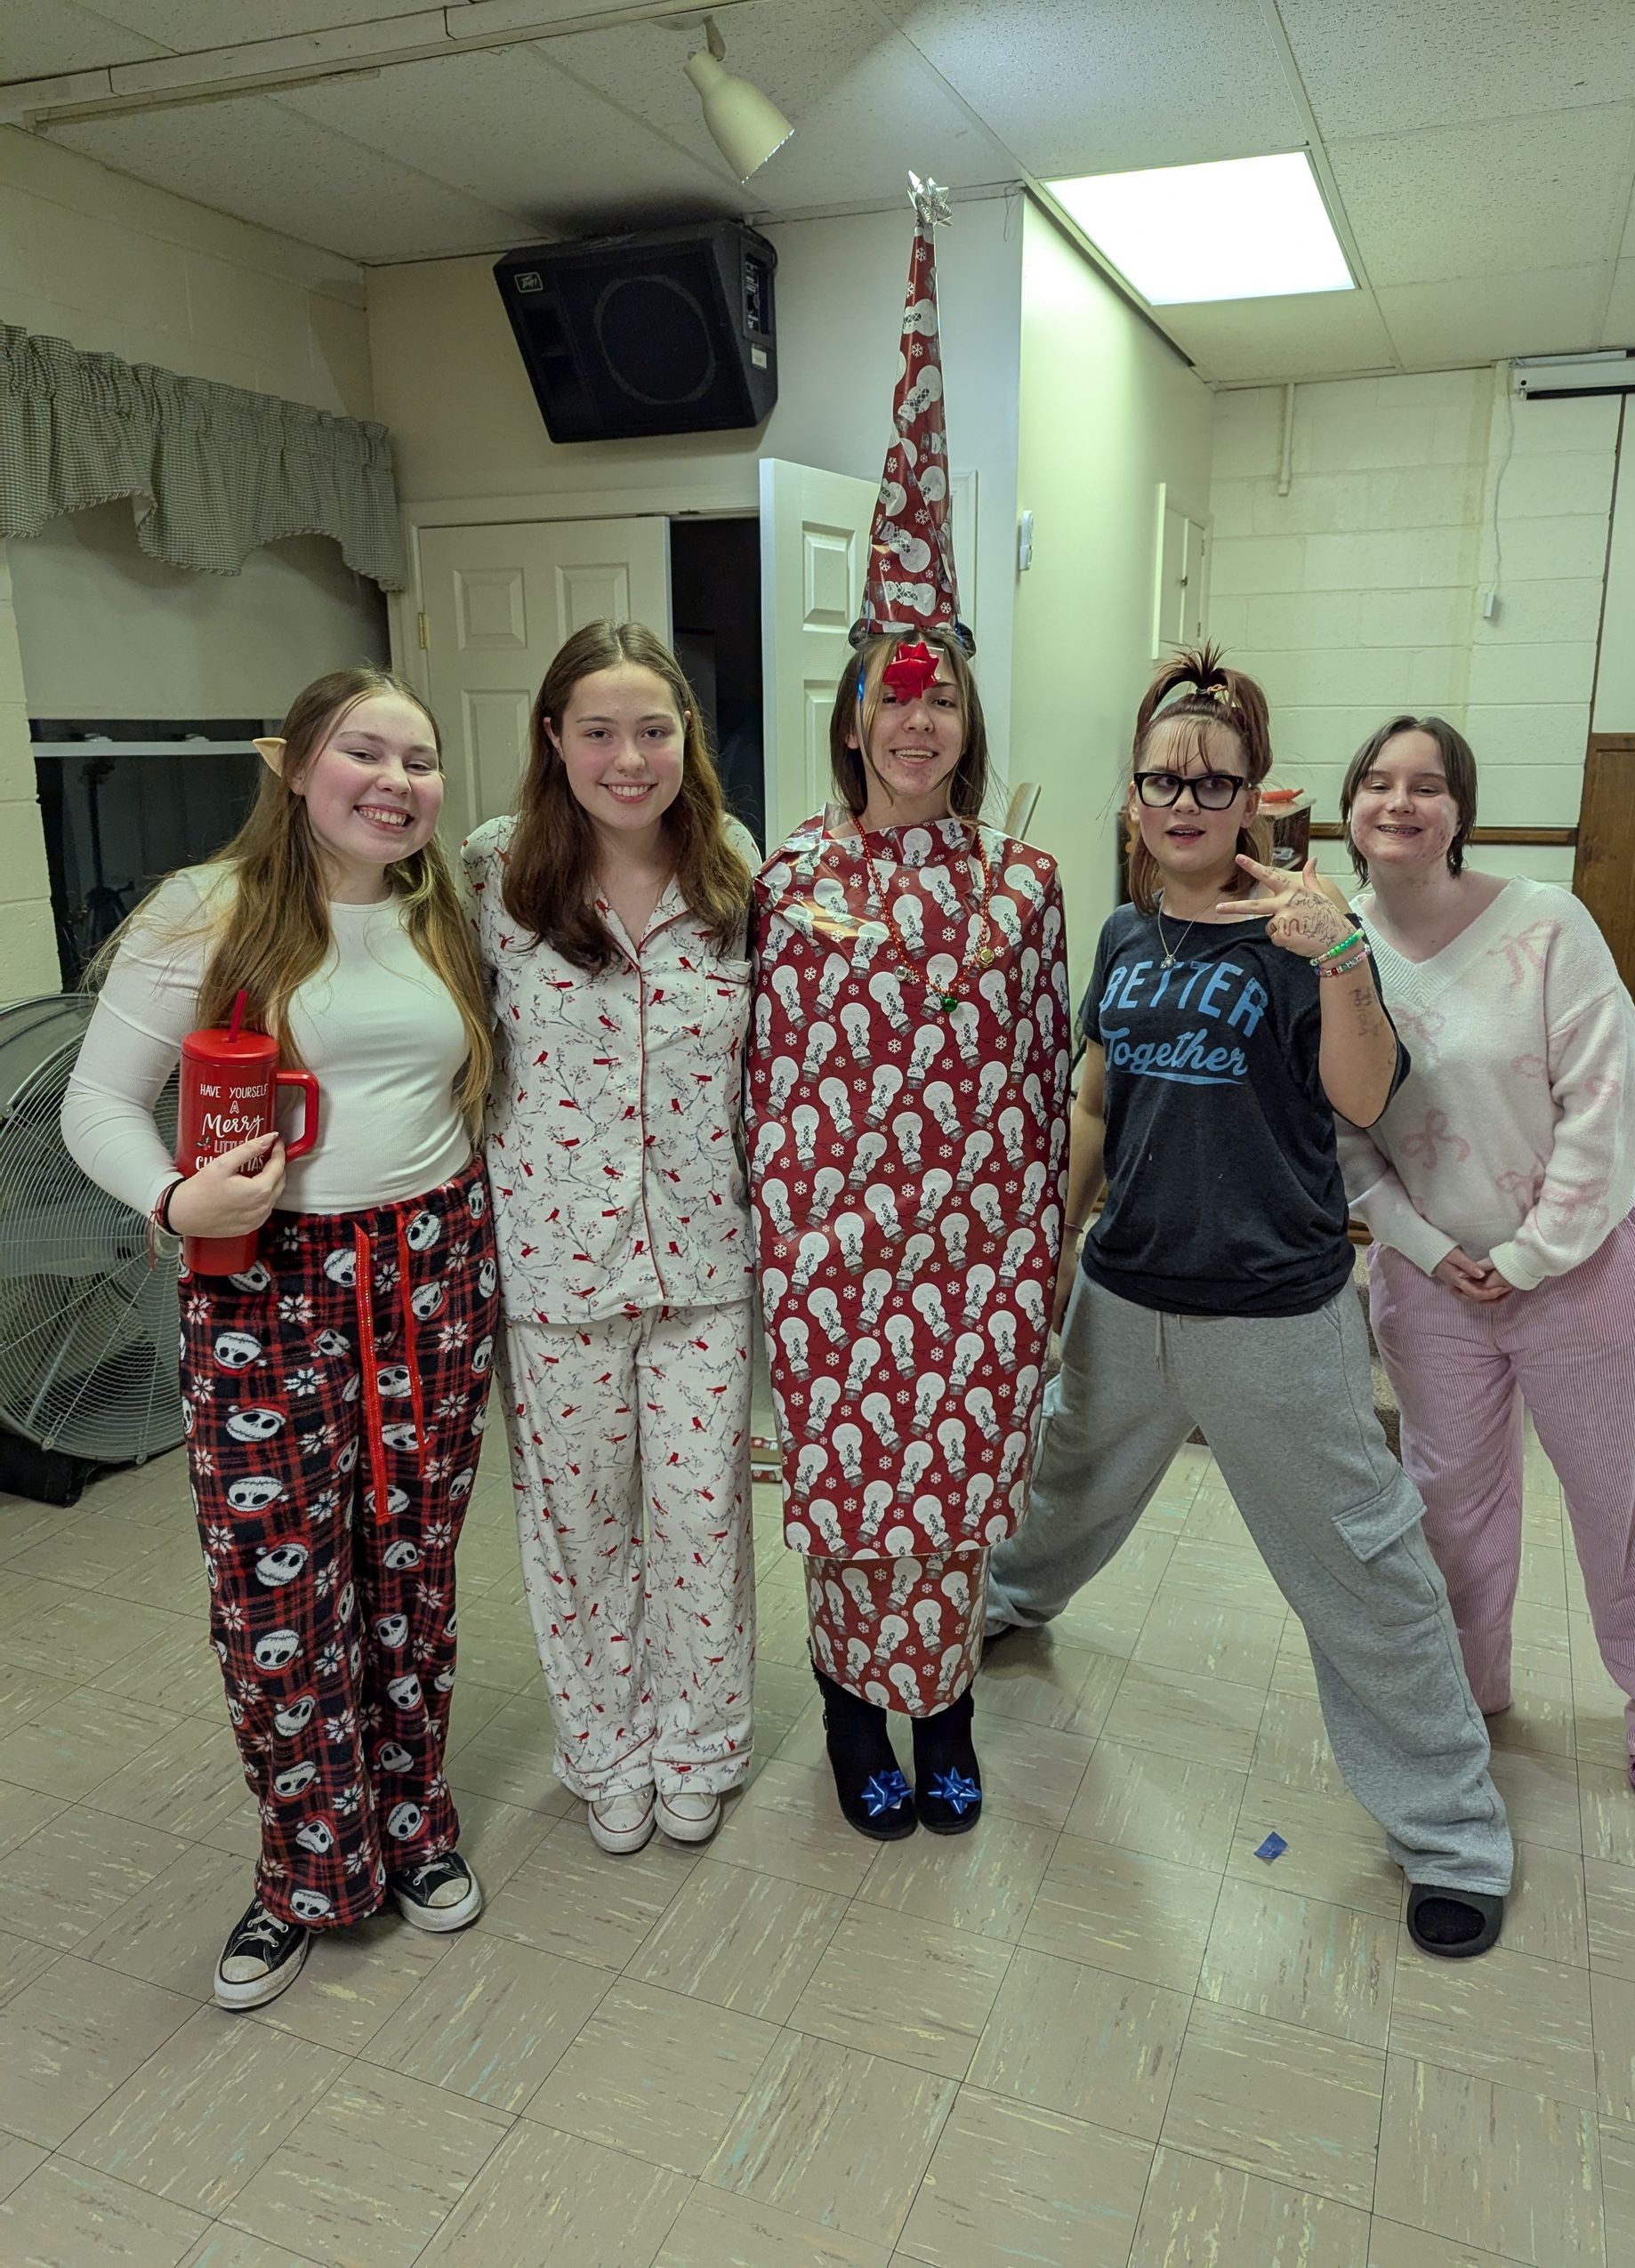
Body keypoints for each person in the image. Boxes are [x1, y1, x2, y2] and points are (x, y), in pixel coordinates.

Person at [985, 648, 1514, 1958]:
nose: (1186, 802)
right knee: (1062, 1484)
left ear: (1255, 798)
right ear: (1132, 798)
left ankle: (1452, 1832)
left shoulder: (1304, 931)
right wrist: (1052, 1244)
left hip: (1274, 1316)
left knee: (1363, 1565)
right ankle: (1002, 1607)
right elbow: (1097, 1098)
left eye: (1213, 782)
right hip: (1125, 1296)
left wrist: (1342, 955)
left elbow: (1362, 1095)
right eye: (1162, 781)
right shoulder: (1124, 933)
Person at [62, 669, 499, 2009]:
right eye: (364, 752)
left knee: (411, 1569)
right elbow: (95, 1104)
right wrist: (171, 1199)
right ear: (297, 764)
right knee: (277, 1593)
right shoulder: (210, 910)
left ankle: (413, 1822)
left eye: (419, 759)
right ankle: (303, 1867)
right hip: (267, 1285)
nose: (395, 782)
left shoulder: (446, 912)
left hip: (430, 1272)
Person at [1336, 715, 1635, 1801]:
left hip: (1581, 1275)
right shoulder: (1336, 947)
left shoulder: (1548, 924)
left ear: (1462, 811)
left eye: (1428, 785)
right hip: (1431, 1282)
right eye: (1378, 782)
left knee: (1631, 1504)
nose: (1400, 803)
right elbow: (1342, 1134)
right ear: (1348, 808)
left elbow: (1609, 1103)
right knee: (1448, 1508)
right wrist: (1423, 1246)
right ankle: (1465, 1695)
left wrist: (1538, 1253)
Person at [749, 623, 1068, 1838]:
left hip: (980, 1255)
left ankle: (944, 1714)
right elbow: (765, 1080)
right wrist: (786, 1248)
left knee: (951, 1491)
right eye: (893, 698)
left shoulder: (1025, 884)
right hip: (832, 1255)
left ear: (967, 725)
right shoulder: (788, 884)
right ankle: (849, 1711)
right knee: (853, 1492)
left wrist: (1039, 1251)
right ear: (853, 724)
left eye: (940, 703)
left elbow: (1045, 1076)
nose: (916, 723)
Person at [463, 620, 758, 1856]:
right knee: (579, 1529)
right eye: (598, 732)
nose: (628, 759)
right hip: (554, 1269)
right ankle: (606, 1747)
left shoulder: (737, 875)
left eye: (652, 730)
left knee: (701, 1521)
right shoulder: (492, 874)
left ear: (687, 736)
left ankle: (701, 1742)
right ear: (554, 739)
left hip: (705, 1264)